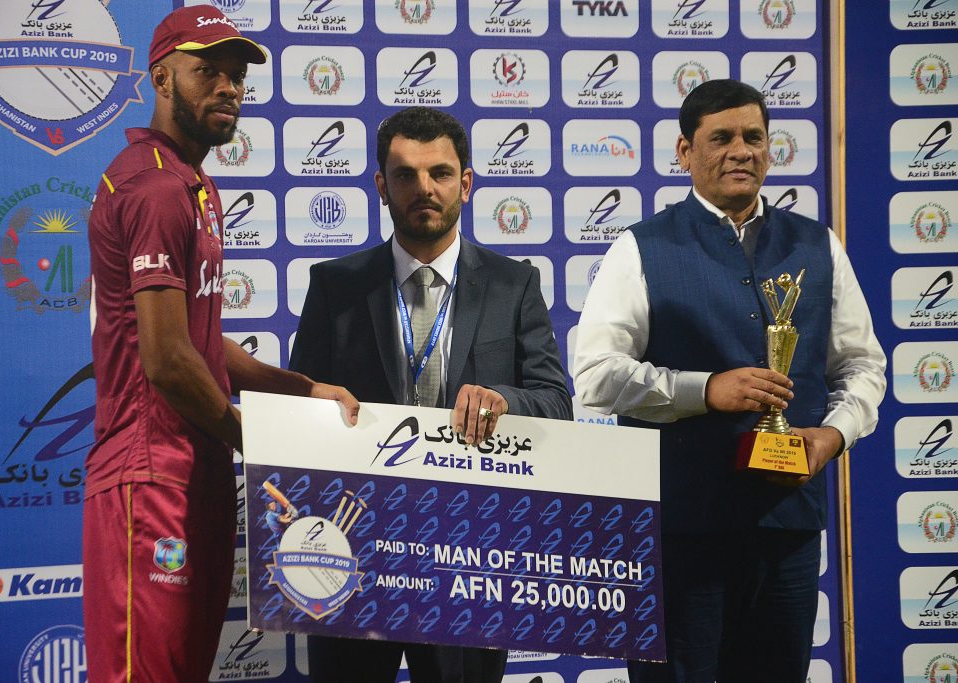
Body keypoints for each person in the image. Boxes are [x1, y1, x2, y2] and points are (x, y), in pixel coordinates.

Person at [573, 79, 886, 683]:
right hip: (680, 529)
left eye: (754, 137)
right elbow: (595, 377)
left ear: (771, 149)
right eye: (721, 138)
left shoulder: (817, 244)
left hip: (787, 528)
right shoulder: (640, 247)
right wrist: (704, 390)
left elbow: (862, 365)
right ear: (685, 152)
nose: (740, 150)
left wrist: (835, 435)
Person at [83, 7, 358, 682]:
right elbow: (167, 359)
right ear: (162, 76)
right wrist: (250, 437)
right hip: (148, 477)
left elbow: (200, 342)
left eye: (236, 76)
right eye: (208, 71)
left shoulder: (192, 182)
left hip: (190, 472)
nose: (227, 87)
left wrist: (302, 389)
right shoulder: (153, 185)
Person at [290, 106, 573, 683]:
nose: (424, 188)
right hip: (353, 551)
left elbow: (555, 400)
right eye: (405, 175)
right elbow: (300, 410)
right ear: (380, 186)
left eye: (440, 173)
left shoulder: (513, 283)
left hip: (470, 550)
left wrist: (502, 400)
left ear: (466, 184)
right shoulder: (334, 285)